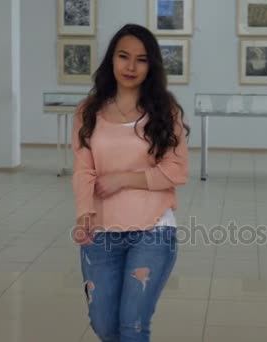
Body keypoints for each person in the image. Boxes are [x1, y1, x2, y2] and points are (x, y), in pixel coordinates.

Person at [71, 23, 190, 342]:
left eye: (141, 59)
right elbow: (83, 170)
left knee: (133, 325)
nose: (131, 66)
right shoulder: (88, 112)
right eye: (123, 56)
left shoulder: (165, 112)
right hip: (101, 231)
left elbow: (177, 170)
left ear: (151, 65)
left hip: (153, 230)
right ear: (111, 60)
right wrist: (84, 214)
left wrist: (124, 179)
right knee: (104, 324)